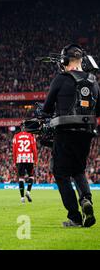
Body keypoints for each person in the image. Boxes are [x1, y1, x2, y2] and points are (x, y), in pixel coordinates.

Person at [42, 44, 98, 227]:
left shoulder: (60, 79)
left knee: (61, 173)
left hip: (65, 132)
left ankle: (74, 216)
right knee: (78, 170)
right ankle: (85, 200)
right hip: (86, 134)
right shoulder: (93, 81)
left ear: (65, 62)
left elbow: (47, 108)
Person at [12, 126, 38, 203]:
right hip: (29, 158)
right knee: (31, 176)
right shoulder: (31, 135)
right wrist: (35, 160)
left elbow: (14, 149)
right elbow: (34, 148)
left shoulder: (16, 136)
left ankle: (22, 198)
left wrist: (14, 161)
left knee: (21, 178)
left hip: (19, 158)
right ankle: (28, 192)